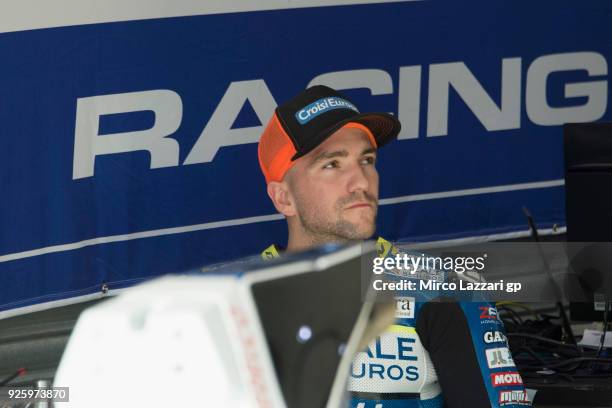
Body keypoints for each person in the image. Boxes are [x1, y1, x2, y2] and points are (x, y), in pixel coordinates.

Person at [257, 85, 532, 407]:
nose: (361, 181)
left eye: (367, 159)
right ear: (283, 198)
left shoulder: (444, 288)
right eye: (332, 164)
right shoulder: (224, 297)